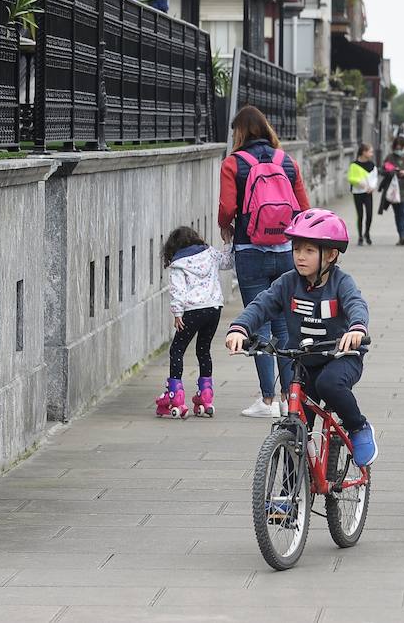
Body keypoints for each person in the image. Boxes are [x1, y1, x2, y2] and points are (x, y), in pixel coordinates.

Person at [224, 209, 377, 466]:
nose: (299, 257)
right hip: (304, 361)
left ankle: (358, 427)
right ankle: (286, 497)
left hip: (340, 357)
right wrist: (240, 328)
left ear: (330, 254)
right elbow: (261, 305)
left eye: (308, 250)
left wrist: (357, 329)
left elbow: (356, 305)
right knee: (294, 430)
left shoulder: (341, 283)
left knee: (329, 384)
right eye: (296, 249)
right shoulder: (287, 283)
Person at [218, 105, 310, 418]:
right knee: (285, 327)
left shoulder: (233, 163)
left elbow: (227, 208)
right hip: (285, 251)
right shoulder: (287, 161)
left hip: (250, 251)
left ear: (239, 132)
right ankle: (289, 398)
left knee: (257, 325)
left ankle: (267, 400)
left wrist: (226, 225)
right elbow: (304, 208)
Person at [157, 226, 232, 419]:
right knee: (203, 350)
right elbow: (227, 262)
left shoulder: (179, 263)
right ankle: (206, 395)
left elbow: (177, 290)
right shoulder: (210, 253)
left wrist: (177, 313)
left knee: (177, 350)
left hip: (192, 310)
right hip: (214, 309)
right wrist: (227, 242)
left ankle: (176, 395)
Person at [347, 143, 377, 246]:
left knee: (369, 214)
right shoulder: (354, 165)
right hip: (358, 192)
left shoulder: (372, 165)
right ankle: (360, 236)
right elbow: (350, 177)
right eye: (370, 151)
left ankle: (367, 233)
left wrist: (372, 187)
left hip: (368, 192)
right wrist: (359, 183)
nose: (372, 154)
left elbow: (374, 177)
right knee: (360, 214)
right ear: (364, 152)